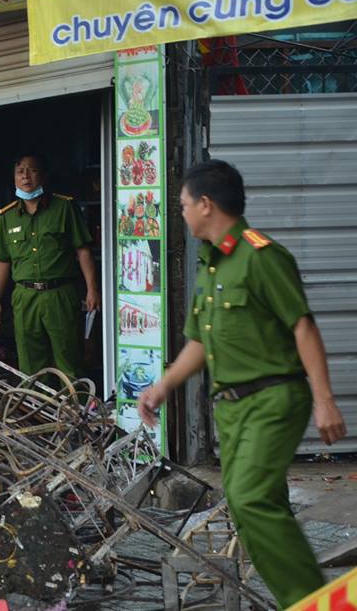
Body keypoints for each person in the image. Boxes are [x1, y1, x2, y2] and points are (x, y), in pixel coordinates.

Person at [137, 159, 346, 609]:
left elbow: (303, 327)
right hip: (231, 408)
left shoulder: (262, 256)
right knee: (252, 509)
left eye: (184, 205)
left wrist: (325, 400)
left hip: (274, 398)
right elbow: (198, 343)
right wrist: (162, 386)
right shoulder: (211, 267)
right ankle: (313, 599)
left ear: (206, 205)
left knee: (250, 498)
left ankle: (313, 603)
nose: (183, 213)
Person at [0, 154, 100, 377]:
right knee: (31, 366)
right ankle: (39, 411)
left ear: (43, 176)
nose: (25, 176)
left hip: (59, 294)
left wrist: (92, 288)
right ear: (14, 178)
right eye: (20, 171)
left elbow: (83, 250)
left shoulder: (64, 207)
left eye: (32, 170)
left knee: (68, 360)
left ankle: (71, 411)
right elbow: (1, 260)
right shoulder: (7, 217)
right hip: (25, 297)